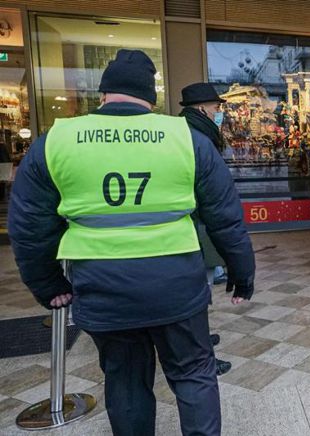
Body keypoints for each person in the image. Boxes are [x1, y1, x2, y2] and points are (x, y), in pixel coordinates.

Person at [8, 50, 255, 436]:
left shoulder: (56, 141)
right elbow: (226, 219)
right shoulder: (185, 139)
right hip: (177, 288)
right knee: (193, 373)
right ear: (150, 97)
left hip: (103, 289)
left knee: (125, 381)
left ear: (103, 95)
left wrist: (48, 284)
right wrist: (242, 273)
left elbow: (28, 226)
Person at [178, 82, 235, 377]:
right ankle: (200, 355)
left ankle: (200, 339)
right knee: (198, 292)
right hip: (198, 224)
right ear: (201, 109)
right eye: (217, 108)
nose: (220, 113)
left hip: (197, 222)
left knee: (201, 290)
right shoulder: (196, 136)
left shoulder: (192, 131)